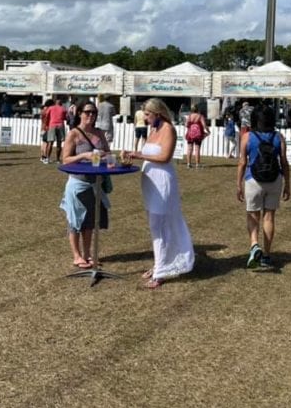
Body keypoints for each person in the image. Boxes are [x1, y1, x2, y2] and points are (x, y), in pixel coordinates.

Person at [127, 98, 194, 288]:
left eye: (148, 115)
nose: (146, 119)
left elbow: (164, 157)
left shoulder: (168, 129)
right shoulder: (153, 129)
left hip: (163, 182)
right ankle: (159, 263)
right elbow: (150, 153)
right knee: (154, 225)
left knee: (161, 225)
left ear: (158, 113)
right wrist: (134, 155)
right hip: (150, 183)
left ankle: (161, 271)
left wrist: (139, 155)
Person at [236, 105, 290, 269]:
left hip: (253, 180)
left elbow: (242, 162)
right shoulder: (279, 137)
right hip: (274, 180)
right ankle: (266, 254)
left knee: (253, 215)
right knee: (269, 217)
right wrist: (287, 184)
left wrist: (238, 184)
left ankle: (254, 245)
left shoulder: (247, 137)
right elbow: (284, 162)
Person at [59, 100, 111, 269]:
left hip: (95, 182)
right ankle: (77, 256)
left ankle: (88, 254)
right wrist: (83, 156)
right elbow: (65, 160)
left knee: (90, 221)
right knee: (75, 220)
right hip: (78, 183)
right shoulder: (74, 134)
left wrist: (105, 156)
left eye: (94, 112)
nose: (91, 115)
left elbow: (108, 153)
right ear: (79, 114)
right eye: (87, 112)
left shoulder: (99, 133)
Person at [184, 104, 209, 168]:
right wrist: (208, 131)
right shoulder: (200, 116)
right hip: (198, 134)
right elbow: (204, 125)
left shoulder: (189, 116)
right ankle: (197, 164)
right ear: (197, 109)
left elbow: (186, 125)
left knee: (189, 149)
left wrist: (191, 126)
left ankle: (188, 164)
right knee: (197, 149)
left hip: (190, 134)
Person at [40, 99, 53, 163]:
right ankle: (45, 157)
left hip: (42, 127)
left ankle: (42, 156)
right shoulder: (48, 110)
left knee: (44, 142)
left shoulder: (42, 110)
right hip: (47, 127)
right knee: (47, 143)